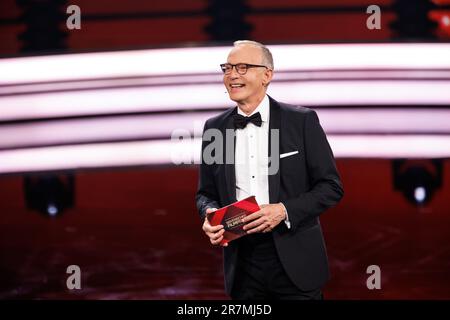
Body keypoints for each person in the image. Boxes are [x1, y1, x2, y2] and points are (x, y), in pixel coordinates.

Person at [196, 40, 343, 300]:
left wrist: (283, 211)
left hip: (295, 258)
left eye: (242, 67)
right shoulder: (214, 128)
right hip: (243, 266)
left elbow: (331, 187)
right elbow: (205, 193)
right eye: (227, 68)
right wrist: (209, 215)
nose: (232, 75)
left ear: (267, 75)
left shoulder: (301, 121)